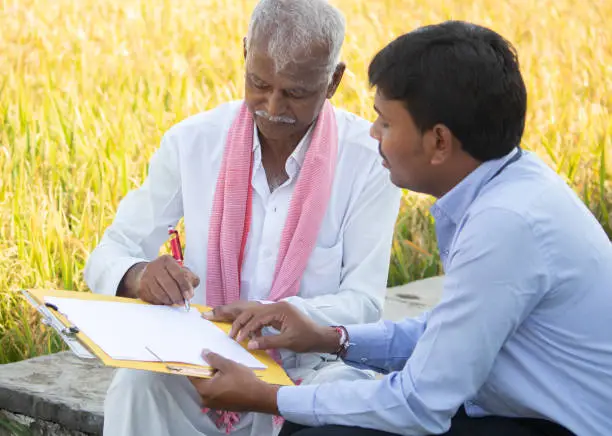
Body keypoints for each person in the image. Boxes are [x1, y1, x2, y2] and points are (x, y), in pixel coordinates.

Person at [189, 20, 612, 436]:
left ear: (439, 142)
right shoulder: (508, 186)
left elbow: (419, 404)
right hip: (514, 411)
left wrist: (266, 397)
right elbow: (445, 334)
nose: (372, 134)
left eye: (386, 123)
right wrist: (330, 338)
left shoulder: (504, 226)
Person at [83, 0, 402, 435]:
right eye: (259, 83)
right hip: (204, 358)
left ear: (333, 81)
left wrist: (279, 313)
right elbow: (110, 253)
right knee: (138, 386)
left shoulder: (369, 163)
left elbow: (363, 303)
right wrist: (138, 275)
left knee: (343, 407)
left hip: (311, 368)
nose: (272, 105)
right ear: (245, 52)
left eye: (295, 92)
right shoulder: (194, 142)